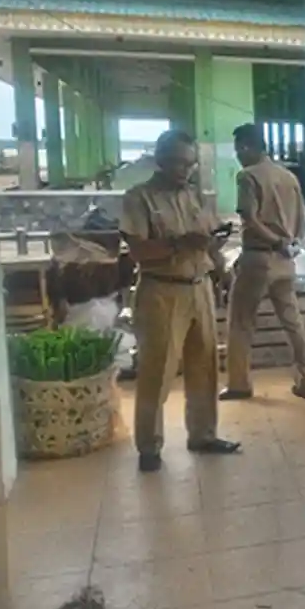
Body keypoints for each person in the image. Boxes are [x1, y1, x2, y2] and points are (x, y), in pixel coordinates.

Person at [119, 130, 241, 473]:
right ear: (159, 159)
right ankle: (149, 446)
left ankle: (203, 434)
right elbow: (140, 251)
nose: (183, 170)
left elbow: (206, 244)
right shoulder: (139, 198)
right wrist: (179, 244)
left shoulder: (195, 197)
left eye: (189, 164)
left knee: (204, 367)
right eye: (176, 162)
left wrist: (219, 258)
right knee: (157, 371)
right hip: (161, 291)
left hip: (199, 287)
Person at [220, 123, 305, 402]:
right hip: (286, 262)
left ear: (249, 146)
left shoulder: (247, 176)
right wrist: (290, 245)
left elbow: (249, 218)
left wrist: (274, 241)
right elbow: (302, 221)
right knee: (293, 322)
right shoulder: (288, 177)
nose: (238, 154)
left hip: (258, 258)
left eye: (239, 148)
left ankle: (239, 384)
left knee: (240, 323)